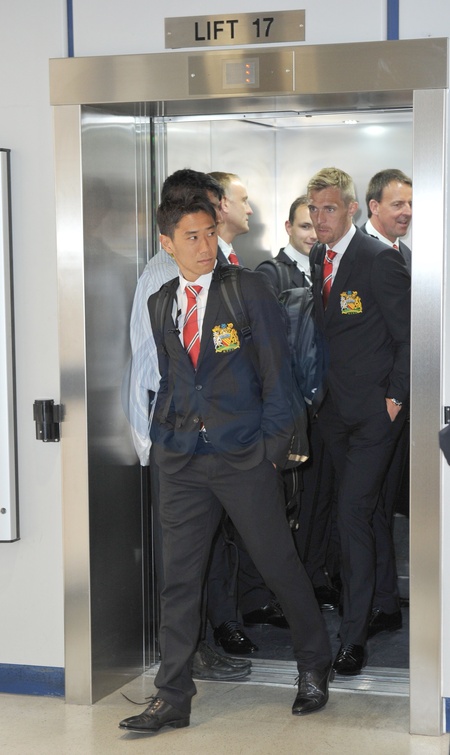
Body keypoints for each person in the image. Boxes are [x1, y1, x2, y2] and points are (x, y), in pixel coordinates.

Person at [119, 192, 332, 734]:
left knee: (277, 564)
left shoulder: (247, 290)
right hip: (181, 463)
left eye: (210, 233)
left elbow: (278, 376)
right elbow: (172, 378)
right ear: (167, 244)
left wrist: (268, 452)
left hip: (244, 458)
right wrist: (162, 442)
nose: (205, 246)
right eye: (191, 237)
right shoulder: (161, 301)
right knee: (179, 581)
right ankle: (172, 695)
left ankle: (313, 664)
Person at [129, 168, 253, 680]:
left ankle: (209, 638)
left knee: (210, 545)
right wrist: (160, 439)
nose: (210, 224)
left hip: (212, 435)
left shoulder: (215, 268)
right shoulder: (162, 277)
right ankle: (185, 655)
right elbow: (150, 366)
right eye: (204, 210)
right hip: (178, 436)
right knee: (181, 557)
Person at [307, 167, 410, 675]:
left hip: (374, 415)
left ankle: (353, 637)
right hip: (334, 412)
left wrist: (395, 398)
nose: (319, 218)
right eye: (313, 209)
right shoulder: (318, 257)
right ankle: (385, 604)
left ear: (351, 208)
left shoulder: (378, 260)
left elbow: (410, 335)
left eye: (328, 208)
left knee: (351, 514)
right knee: (365, 513)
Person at [208, 170, 288, 633]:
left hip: (250, 435)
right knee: (212, 537)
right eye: (243, 200)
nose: (251, 209)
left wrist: (272, 442)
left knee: (259, 533)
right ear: (221, 205)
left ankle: (255, 605)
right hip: (208, 437)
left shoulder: (243, 271)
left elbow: (268, 362)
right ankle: (223, 624)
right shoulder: (179, 278)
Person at [256, 197, 339, 611]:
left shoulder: (330, 269)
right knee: (294, 499)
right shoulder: (271, 274)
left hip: (329, 404)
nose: (313, 233)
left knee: (323, 496)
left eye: (318, 225)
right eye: (304, 226)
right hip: (293, 405)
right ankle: (288, 590)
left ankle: (317, 573)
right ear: (288, 228)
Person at [361, 168, 412, 637]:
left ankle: (385, 600)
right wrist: (392, 397)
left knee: (384, 503)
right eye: (398, 204)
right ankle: (379, 603)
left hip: (403, 405)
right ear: (374, 206)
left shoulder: (407, 255)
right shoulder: (357, 254)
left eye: (410, 204)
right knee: (369, 506)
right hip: (371, 406)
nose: (407, 212)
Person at [256, 194, 316, 293]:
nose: (314, 235)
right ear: (289, 228)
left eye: (319, 227)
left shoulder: (327, 270)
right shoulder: (269, 273)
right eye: (305, 226)